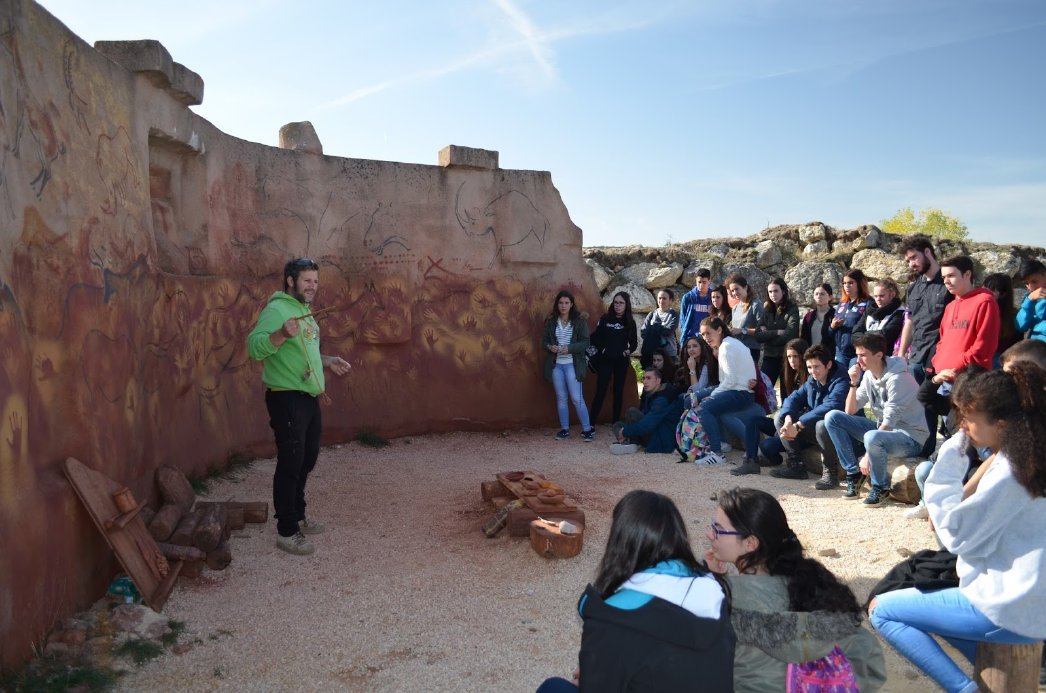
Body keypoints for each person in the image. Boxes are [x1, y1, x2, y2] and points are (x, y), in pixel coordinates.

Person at [869, 364, 1046, 693]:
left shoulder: (1011, 469)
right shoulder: (1033, 452)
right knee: (936, 604)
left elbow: (954, 535)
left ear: (1001, 424)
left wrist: (951, 455)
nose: (962, 426)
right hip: (1030, 602)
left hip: (1010, 608)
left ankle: (966, 690)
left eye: (968, 419)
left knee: (883, 610)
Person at [537, 490, 734, 693]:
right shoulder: (712, 590)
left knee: (552, 688)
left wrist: (591, 675)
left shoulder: (612, 617)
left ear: (620, 543)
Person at [705, 487, 886, 693]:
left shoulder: (727, 599)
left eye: (718, 529)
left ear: (750, 543)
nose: (709, 534)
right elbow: (869, 657)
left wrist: (715, 584)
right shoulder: (811, 581)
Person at [246, 258, 352, 556]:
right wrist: (280, 334)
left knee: (306, 459)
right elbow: (253, 348)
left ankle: (299, 514)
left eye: (316, 281)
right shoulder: (276, 310)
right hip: (286, 397)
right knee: (291, 462)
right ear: (290, 280)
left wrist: (328, 362)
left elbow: (306, 352)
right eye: (307, 280)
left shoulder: (305, 312)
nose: (312, 286)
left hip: (308, 396)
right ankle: (287, 531)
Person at [824, 333, 930, 503]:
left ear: (879, 355)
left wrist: (867, 456)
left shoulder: (898, 379)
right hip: (884, 434)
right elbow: (850, 410)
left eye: (863, 355)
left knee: (872, 436)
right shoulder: (868, 375)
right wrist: (853, 382)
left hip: (911, 439)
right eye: (857, 355)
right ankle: (854, 473)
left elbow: (889, 422)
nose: (858, 360)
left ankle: (881, 487)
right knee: (833, 417)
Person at [917, 256, 1000, 421]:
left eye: (951, 275)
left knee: (969, 438)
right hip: (945, 381)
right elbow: (942, 341)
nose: (946, 281)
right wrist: (938, 362)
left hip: (970, 383)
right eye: (944, 277)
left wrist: (956, 365)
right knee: (951, 432)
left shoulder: (985, 301)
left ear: (967, 274)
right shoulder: (950, 306)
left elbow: (983, 347)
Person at [762, 344, 847, 481]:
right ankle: (797, 467)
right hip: (814, 431)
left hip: (841, 434)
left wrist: (798, 425)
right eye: (809, 367)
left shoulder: (842, 380)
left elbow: (831, 406)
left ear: (829, 364)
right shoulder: (812, 379)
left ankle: (830, 473)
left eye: (817, 366)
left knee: (822, 424)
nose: (813, 371)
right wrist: (789, 420)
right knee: (780, 416)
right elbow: (793, 398)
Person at [693, 317, 757, 466]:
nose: (706, 338)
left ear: (719, 330)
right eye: (703, 335)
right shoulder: (731, 343)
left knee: (703, 408)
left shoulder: (726, 347)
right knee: (702, 401)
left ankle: (717, 454)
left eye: (708, 333)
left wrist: (711, 397)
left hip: (740, 393)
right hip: (740, 391)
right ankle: (723, 443)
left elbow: (730, 381)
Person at [542, 290, 595, 442]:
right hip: (557, 365)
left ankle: (587, 429)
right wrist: (549, 346)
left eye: (566, 303)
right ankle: (564, 429)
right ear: (557, 304)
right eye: (560, 303)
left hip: (573, 364)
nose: (563, 306)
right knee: (561, 398)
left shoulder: (579, 321)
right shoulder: (552, 321)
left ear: (572, 304)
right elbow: (543, 342)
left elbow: (586, 342)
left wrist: (569, 348)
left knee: (577, 398)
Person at [589, 292, 637, 425]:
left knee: (618, 390)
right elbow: (597, 338)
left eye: (621, 303)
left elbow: (634, 344)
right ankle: (591, 423)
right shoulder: (605, 318)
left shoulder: (630, 322)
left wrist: (626, 352)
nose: (618, 305)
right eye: (616, 302)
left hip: (621, 361)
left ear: (626, 305)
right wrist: (604, 350)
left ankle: (616, 421)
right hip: (605, 360)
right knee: (601, 389)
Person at [613, 367, 681, 454]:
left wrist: (625, 431)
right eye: (644, 378)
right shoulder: (652, 393)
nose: (645, 381)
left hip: (661, 440)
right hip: (654, 430)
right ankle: (630, 442)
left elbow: (647, 425)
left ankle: (630, 443)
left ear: (658, 381)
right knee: (617, 425)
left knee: (632, 412)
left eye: (649, 378)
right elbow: (644, 417)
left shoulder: (663, 399)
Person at [755, 277, 800, 388]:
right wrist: (776, 332)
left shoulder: (792, 308)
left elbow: (791, 334)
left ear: (783, 291)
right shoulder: (767, 309)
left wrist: (768, 336)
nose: (773, 294)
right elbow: (757, 335)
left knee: (787, 391)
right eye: (770, 291)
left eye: (776, 291)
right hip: (769, 357)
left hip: (786, 357)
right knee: (763, 389)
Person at [852, 278, 905, 356]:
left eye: (881, 296)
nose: (878, 299)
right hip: (865, 355)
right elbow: (855, 333)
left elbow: (885, 335)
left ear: (892, 294)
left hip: (886, 357)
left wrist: (864, 335)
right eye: (875, 296)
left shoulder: (899, 312)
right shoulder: (869, 311)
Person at [831, 269, 873, 368]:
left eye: (851, 283)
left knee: (854, 379)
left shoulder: (869, 303)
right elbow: (831, 332)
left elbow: (870, 328)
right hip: (841, 352)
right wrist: (832, 326)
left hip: (858, 352)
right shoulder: (842, 304)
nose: (847, 286)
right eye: (844, 283)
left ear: (859, 284)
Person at [727, 274, 763, 362]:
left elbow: (762, 330)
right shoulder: (735, 308)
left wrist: (742, 330)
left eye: (737, 289)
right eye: (732, 290)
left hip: (751, 350)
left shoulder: (756, 305)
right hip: (736, 349)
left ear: (745, 287)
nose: (734, 293)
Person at [641, 289, 679, 363]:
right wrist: (659, 329)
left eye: (664, 298)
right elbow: (643, 332)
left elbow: (668, 331)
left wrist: (654, 328)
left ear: (670, 300)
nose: (661, 300)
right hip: (652, 353)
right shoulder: (651, 314)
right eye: (659, 298)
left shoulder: (674, 315)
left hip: (669, 353)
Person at [679, 267, 713, 347]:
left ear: (709, 281)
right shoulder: (688, 297)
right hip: (691, 338)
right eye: (699, 282)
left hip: (708, 339)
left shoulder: (713, 297)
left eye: (704, 282)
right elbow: (683, 319)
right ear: (696, 281)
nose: (701, 285)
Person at [1016, 258, 1046, 342]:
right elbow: (1020, 326)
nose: (1031, 287)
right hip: (1034, 347)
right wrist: (1029, 301)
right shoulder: (1030, 297)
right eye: (1026, 283)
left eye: (1034, 281)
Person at [801, 283, 835, 351]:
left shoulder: (835, 315)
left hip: (829, 356)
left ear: (830, 297)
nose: (819, 296)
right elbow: (804, 338)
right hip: (811, 356)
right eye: (816, 294)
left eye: (822, 294)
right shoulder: (808, 317)